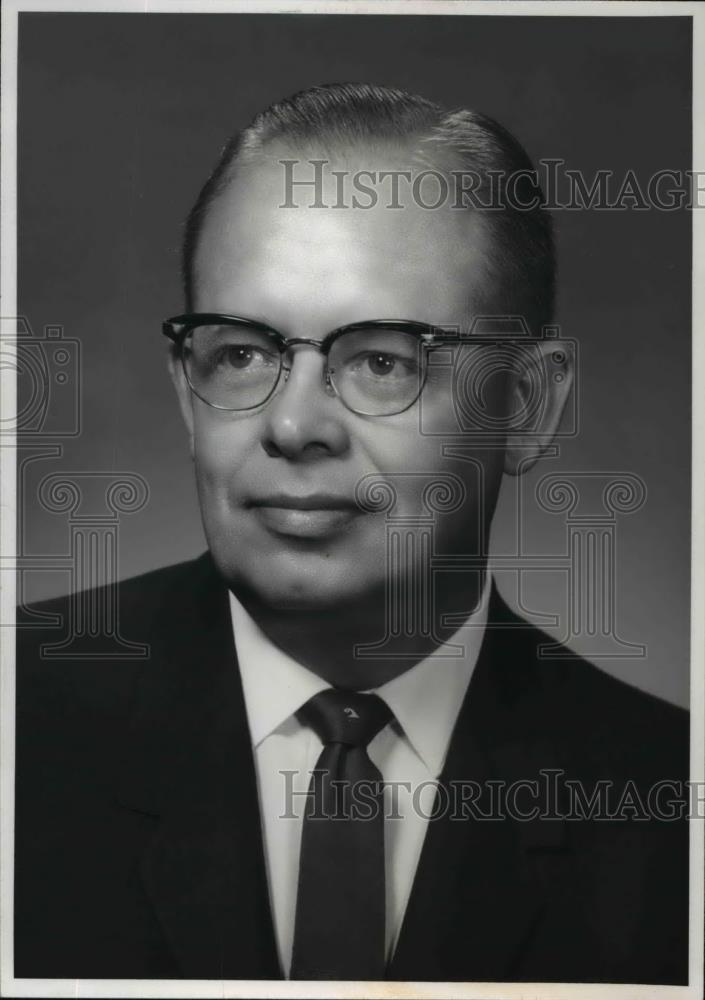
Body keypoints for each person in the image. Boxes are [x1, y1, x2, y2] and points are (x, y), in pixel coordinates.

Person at [15, 83, 689, 983]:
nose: (293, 427)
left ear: (526, 406)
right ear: (187, 390)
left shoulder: (664, 816)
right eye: (242, 352)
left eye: (381, 361)